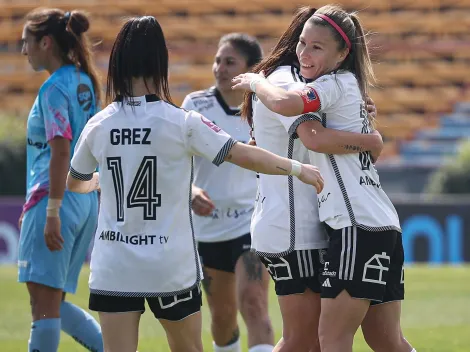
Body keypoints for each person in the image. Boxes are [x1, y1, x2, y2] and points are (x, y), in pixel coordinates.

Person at [65, 16, 324, 352]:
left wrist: (99, 182)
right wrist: (296, 168)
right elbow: (243, 154)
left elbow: (75, 183)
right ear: (161, 61)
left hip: (114, 265)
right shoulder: (182, 121)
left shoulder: (99, 124)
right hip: (169, 265)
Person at [232, 4, 416, 352]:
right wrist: (371, 138)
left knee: (327, 340)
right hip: (314, 224)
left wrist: (256, 82)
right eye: (304, 43)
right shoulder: (301, 79)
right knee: (347, 339)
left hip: (345, 224)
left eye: (317, 46)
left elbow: (310, 134)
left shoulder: (324, 84)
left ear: (341, 51)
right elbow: (305, 130)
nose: (306, 52)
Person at [17, 8, 103, 352]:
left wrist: (50, 211)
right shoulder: (86, 81)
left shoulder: (53, 88)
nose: (24, 50)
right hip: (85, 201)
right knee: (51, 300)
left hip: (56, 199)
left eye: (27, 42)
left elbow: (60, 150)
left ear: (46, 42)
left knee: (43, 304)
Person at [181, 33, 274, 352]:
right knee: (222, 320)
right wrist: (190, 190)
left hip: (252, 223)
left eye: (230, 62)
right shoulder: (195, 105)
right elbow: (175, 163)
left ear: (251, 69)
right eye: (218, 60)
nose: (220, 67)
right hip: (208, 230)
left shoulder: (267, 108)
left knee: (254, 304)